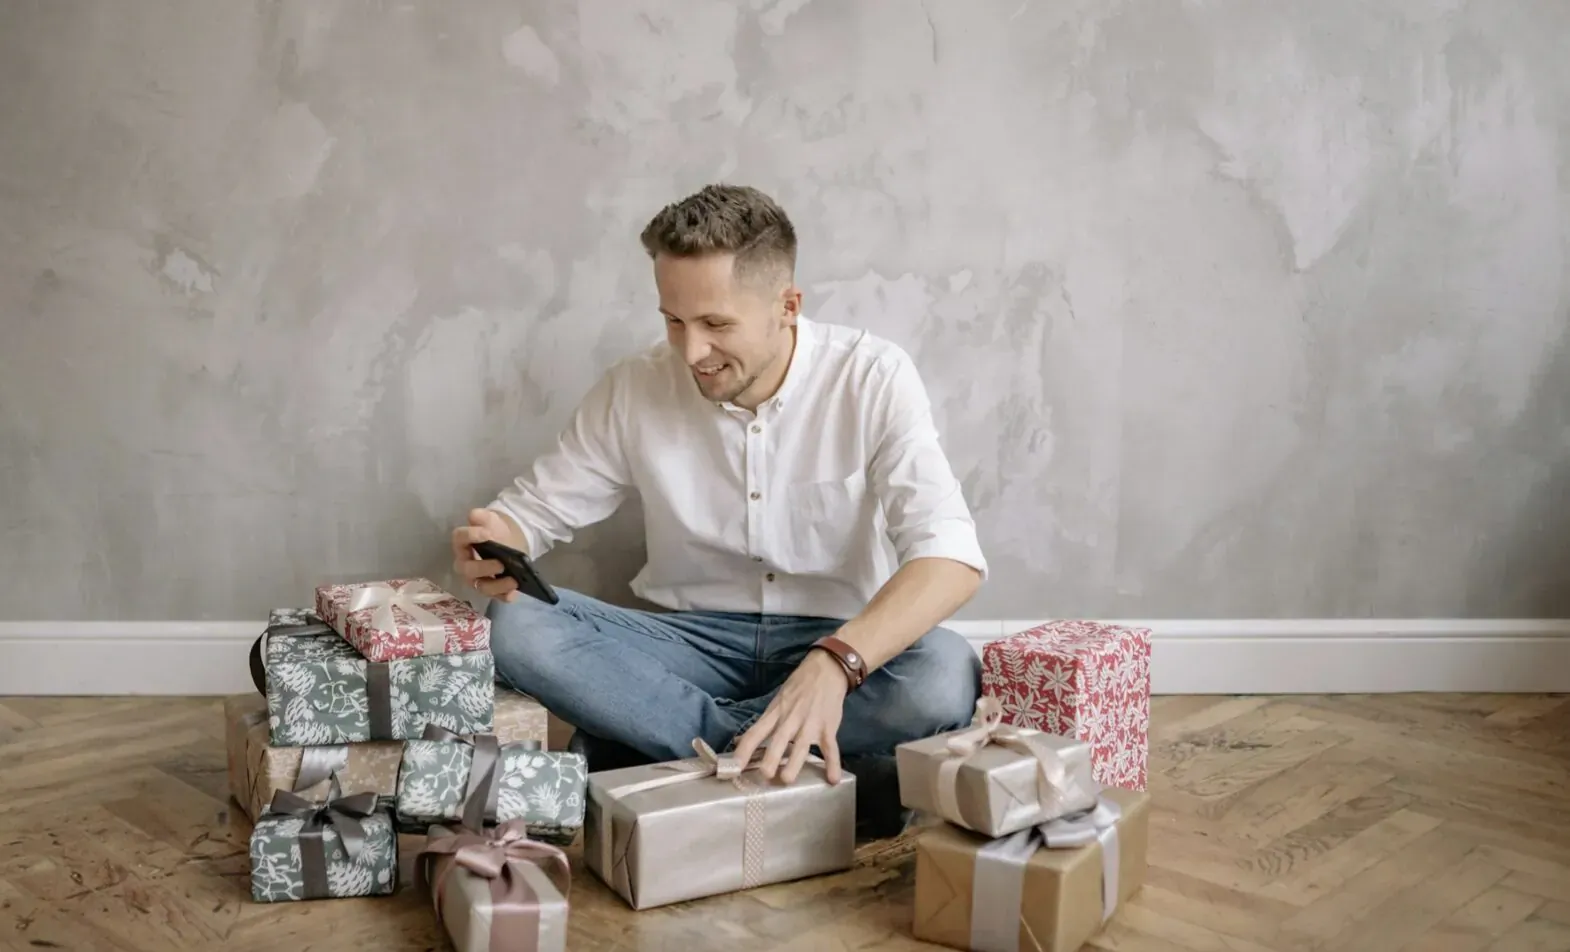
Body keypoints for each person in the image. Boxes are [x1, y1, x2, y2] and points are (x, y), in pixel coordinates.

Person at [450, 183, 987, 837]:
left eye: (716, 324)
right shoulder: (635, 387)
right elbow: (532, 512)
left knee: (944, 673)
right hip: (686, 646)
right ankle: (802, 771)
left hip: (834, 637)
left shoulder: (871, 376)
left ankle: (654, 750)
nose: (691, 351)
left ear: (787, 306)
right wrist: (498, 538)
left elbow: (950, 559)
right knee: (518, 625)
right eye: (673, 320)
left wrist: (835, 663)